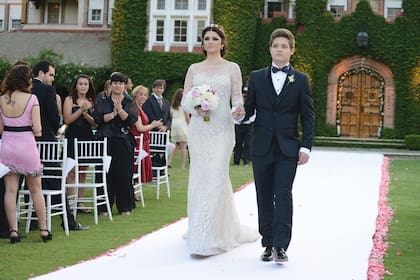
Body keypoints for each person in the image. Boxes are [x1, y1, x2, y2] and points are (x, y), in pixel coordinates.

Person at [181, 24, 258, 257]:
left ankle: (212, 236)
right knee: (199, 178)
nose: (211, 41)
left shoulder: (232, 68)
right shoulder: (194, 68)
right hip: (199, 131)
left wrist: (238, 110)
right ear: (202, 43)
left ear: (222, 43)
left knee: (216, 176)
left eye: (215, 38)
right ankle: (199, 230)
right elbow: (185, 99)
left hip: (222, 129)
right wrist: (196, 108)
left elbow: (236, 98)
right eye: (207, 38)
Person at [243, 28, 315, 263]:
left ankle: (282, 246)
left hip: (288, 148)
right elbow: (249, 110)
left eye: (285, 46)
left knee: (283, 194)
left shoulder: (301, 80)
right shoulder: (256, 77)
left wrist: (305, 147)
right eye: (276, 46)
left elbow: (308, 116)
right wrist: (239, 115)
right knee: (263, 196)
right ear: (270, 49)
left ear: (292, 50)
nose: (280, 49)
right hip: (261, 147)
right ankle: (268, 243)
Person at [32, 60, 89, 231]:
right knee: (56, 179)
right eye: (50, 75)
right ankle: (68, 220)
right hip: (46, 141)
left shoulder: (25, 89)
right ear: (40, 73)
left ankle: (34, 219)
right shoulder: (47, 90)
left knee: (31, 181)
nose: (52, 79)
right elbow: (56, 120)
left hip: (28, 142)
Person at [0, 64, 52, 243]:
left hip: (7, 144)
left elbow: (0, 128)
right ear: (26, 79)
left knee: (10, 190)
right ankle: (44, 229)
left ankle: (13, 231)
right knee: (36, 189)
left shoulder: (2, 99)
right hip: (26, 144)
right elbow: (38, 129)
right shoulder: (32, 99)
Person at [93, 72, 138, 216]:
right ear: (110, 85)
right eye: (115, 83)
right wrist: (112, 114)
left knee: (123, 173)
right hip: (106, 139)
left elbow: (130, 120)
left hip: (123, 140)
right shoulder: (103, 101)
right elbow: (98, 119)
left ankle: (125, 206)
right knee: (105, 173)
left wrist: (119, 110)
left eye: (120, 83)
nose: (117, 86)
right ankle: (103, 207)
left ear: (124, 86)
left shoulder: (130, 102)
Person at [63, 74, 97, 213]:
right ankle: (70, 201)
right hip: (72, 135)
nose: (83, 86)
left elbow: (95, 123)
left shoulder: (92, 101)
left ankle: (80, 202)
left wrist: (86, 114)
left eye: (86, 84)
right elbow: (67, 119)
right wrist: (80, 111)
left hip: (86, 135)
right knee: (71, 170)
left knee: (83, 170)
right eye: (81, 84)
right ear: (76, 85)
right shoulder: (69, 99)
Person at [130, 85, 162, 184]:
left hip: (144, 141)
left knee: (140, 165)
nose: (143, 97)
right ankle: (133, 190)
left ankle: (135, 188)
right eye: (140, 95)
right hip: (137, 140)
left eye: (145, 95)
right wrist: (153, 125)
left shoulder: (141, 108)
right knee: (136, 165)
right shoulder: (135, 109)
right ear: (135, 95)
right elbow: (140, 128)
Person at [168, 88, 190, 169]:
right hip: (182, 125)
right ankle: (183, 165)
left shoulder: (173, 106)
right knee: (184, 146)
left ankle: (169, 161)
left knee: (177, 145)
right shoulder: (184, 106)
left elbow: (171, 115)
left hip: (174, 125)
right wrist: (190, 125)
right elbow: (187, 117)